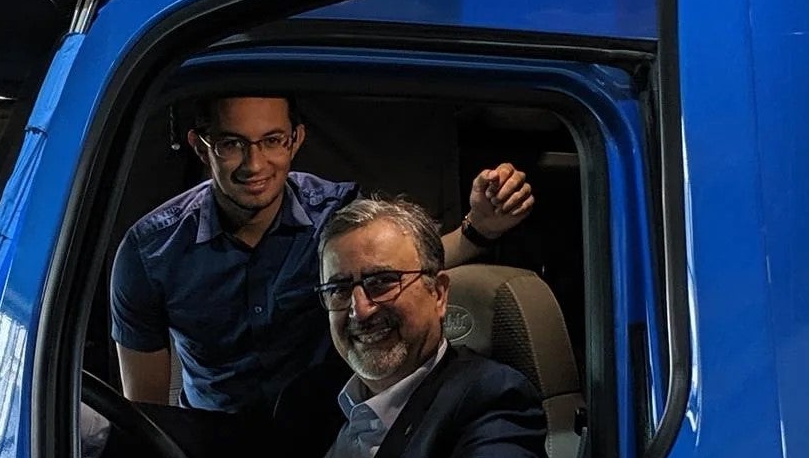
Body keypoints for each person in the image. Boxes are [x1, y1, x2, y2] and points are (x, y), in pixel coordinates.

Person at [102, 196, 552, 458]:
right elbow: (224, 445)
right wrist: (97, 426)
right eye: (339, 289)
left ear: (437, 293)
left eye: (382, 282)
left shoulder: (490, 401)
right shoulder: (312, 397)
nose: (360, 309)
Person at [109, 94, 535, 414]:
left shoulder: (335, 216)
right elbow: (147, 414)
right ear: (202, 147)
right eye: (232, 144)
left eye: (272, 141)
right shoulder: (150, 251)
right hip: (207, 451)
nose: (254, 165)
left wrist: (478, 229)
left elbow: (401, 266)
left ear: (295, 140)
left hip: (324, 440)